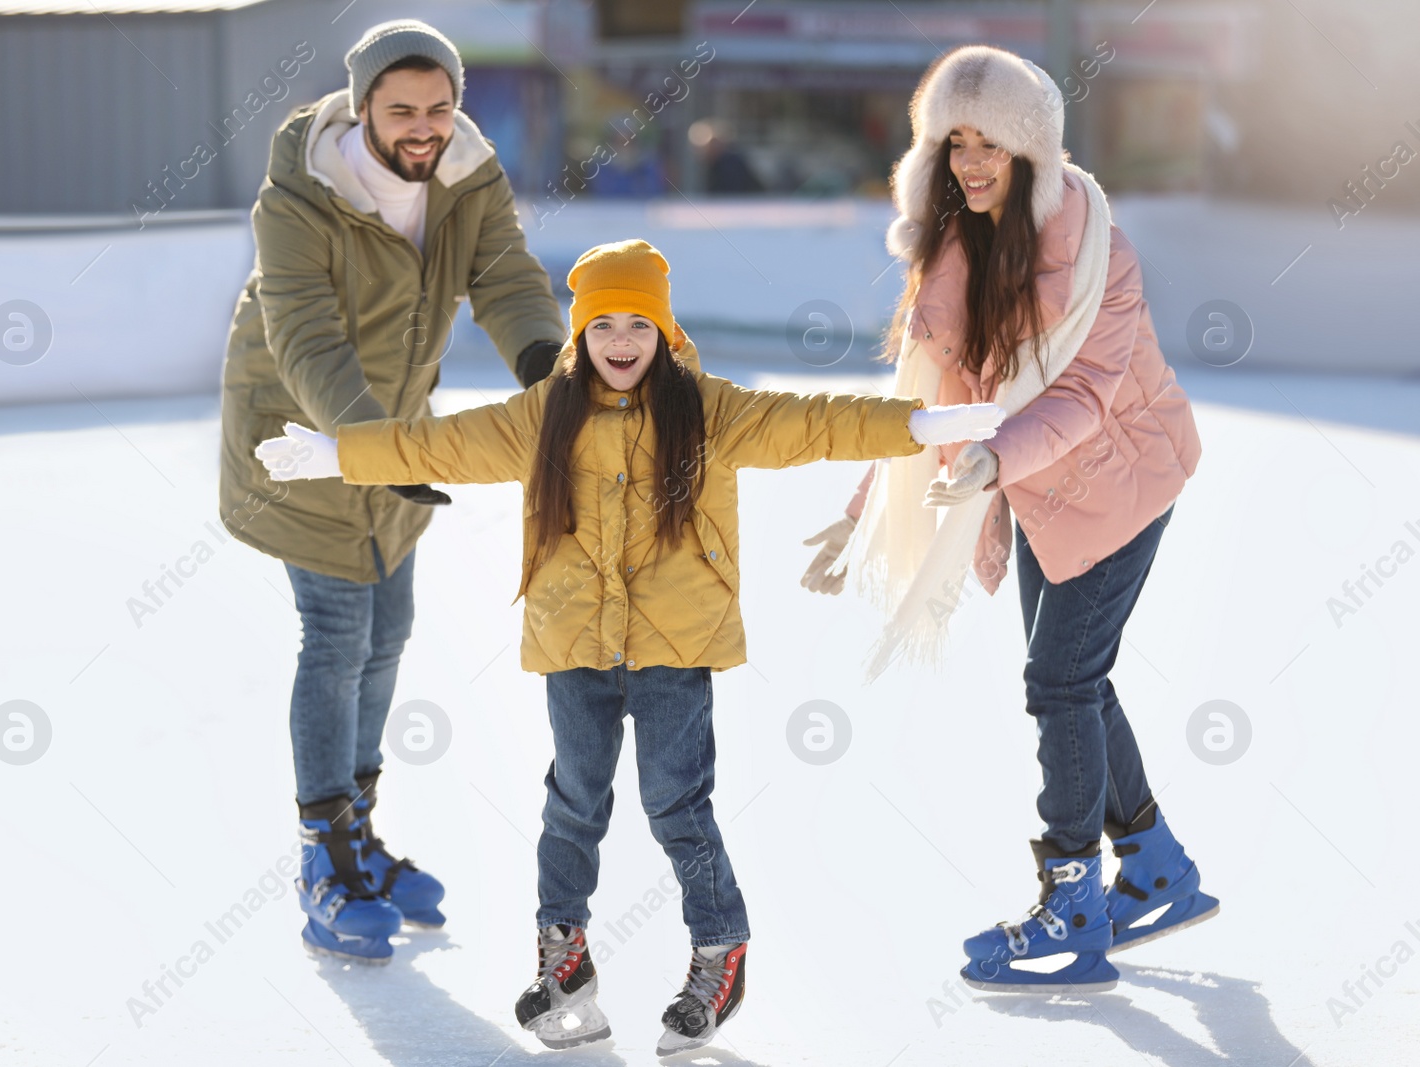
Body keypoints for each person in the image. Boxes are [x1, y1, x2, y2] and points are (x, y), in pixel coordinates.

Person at [256, 239, 1004, 1049]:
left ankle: (721, 948)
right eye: (602, 323)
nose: (620, 340)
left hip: (674, 647)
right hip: (574, 643)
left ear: (663, 329)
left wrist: (918, 425)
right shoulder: (544, 414)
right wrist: (342, 453)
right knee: (572, 803)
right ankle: (562, 958)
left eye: (637, 323)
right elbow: (443, 444)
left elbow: (812, 423)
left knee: (676, 804)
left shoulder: (708, 410)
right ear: (578, 334)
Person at [802, 46, 1213, 993]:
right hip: (1034, 487)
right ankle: (1155, 866)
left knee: (1059, 678)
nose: (973, 161)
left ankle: (1073, 903)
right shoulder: (955, 247)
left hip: (1123, 480)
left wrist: (993, 458)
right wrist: (864, 511)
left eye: (992, 142)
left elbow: (1090, 395)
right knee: (1079, 675)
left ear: (1033, 148)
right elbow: (926, 399)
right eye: (955, 142)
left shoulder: (1098, 245)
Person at [217, 18, 568, 964]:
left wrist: (545, 361)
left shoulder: (466, 176)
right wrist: (366, 440)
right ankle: (322, 855)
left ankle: (359, 832)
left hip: (394, 433)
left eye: (440, 107)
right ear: (363, 104)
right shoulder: (301, 196)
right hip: (305, 431)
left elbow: (503, 275)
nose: (424, 126)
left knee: (390, 627)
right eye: (402, 108)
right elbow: (304, 333)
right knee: (336, 632)